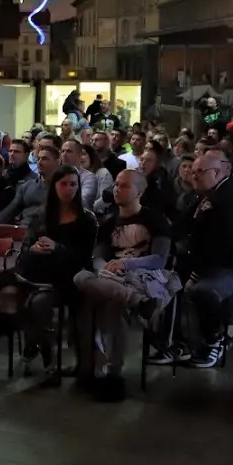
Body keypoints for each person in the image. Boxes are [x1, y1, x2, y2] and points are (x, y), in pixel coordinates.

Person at [73, 169, 177, 402]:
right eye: (116, 185)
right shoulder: (109, 222)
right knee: (81, 278)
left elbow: (159, 259)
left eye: (124, 186)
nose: (117, 189)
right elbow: (98, 257)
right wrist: (106, 268)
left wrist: (125, 263)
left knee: (110, 303)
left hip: (143, 277)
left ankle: (109, 371)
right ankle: (139, 304)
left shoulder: (155, 219)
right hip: (113, 279)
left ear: (140, 191)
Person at [171, 150, 233, 368]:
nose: (194, 176)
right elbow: (182, 224)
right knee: (168, 279)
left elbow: (223, 244)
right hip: (214, 263)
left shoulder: (231, 198)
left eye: (200, 172)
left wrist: (195, 272)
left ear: (219, 172)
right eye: (192, 172)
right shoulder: (208, 195)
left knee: (202, 289)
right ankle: (174, 341)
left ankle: (216, 339)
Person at [12, 164, 97, 375]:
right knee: (12, 295)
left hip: (67, 280)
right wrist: (33, 250)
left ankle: (48, 357)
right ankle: (35, 342)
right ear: (54, 186)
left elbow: (84, 257)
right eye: (64, 184)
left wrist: (56, 248)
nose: (69, 189)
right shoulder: (42, 216)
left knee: (40, 304)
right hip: (37, 275)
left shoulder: (86, 220)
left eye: (73, 184)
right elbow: (24, 250)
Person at [0, 145, 57, 227]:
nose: (39, 162)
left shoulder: (62, 187)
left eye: (44, 159)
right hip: (24, 231)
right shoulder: (27, 186)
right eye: (38, 159)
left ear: (57, 161)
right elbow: (9, 212)